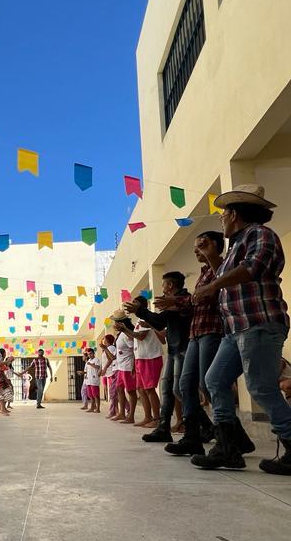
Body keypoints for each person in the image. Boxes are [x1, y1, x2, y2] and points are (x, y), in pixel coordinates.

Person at [190, 184, 291, 474]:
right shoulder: (236, 245)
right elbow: (228, 276)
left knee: (260, 387)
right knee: (215, 380)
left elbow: (252, 268)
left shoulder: (261, 234)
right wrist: (212, 264)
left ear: (233, 214)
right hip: (236, 329)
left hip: (259, 323)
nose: (221, 219)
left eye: (223, 214)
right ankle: (227, 448)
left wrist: (211, 285)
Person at [162, 232, 241, 457]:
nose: (196, 250)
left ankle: (231, 438)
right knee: (185, 385)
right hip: (196, 334)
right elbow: (195, 302)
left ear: (215, 245)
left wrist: (177, 301)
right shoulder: (203, 273)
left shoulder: (224, 267)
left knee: (209, 384)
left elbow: (219, 291)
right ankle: (192, 437)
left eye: (202, 245)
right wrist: (176, 304)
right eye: (196, 247)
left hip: (212, 330)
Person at [125, 272, 192, 443]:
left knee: (179, 389)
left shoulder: (183, 299)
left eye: (163, 285)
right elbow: (161, 321)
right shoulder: (172, 303)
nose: (162, 289)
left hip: (183, 349)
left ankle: (196, 427)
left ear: (170, 285)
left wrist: (140, 311)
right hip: (173, 350)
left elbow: (159, 322)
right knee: (167, 389)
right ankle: (163, 427)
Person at [130, 296, 163, 428]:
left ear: (139, 305)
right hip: (141, 358)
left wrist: (125, 330)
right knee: (141, 389)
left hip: (150, 357)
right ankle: (147, 417)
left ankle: (157, 418)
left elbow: (141, 336)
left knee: (149, 389)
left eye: (134, 303)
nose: (131, 306)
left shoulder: (146, 317)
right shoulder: (139, 319)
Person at [111, 312, 137, 424]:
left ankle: (131, 415)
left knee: (131, 391)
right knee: (119, 389)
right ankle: (122, 413)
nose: (114, 324)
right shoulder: (121, 335)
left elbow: (134, 349)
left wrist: (134, 367)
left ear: (121, 323)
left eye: (115, 322)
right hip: (120, 367)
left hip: (127, 366)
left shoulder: (127, 334)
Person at [100, 334, 119, 418]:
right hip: (109, 373)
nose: (103, 341)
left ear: (107, 340)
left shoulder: (111, 348)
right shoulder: (107, 349)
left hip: (112, 372)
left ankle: (113, 412)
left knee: (113, 393)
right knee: (115, 393)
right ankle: (118, 411)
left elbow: (110, 359)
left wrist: (104, 369)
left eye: (104, 339)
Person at [83, 348, 101, 413]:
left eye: (90, 353)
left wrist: (91, 364)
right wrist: (83, 373)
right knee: (90, 395)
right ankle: (92, 408)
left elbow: (98, 367)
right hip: (88, 380)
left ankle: (98, 408)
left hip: (94, 380)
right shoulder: (88, 361)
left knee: (96, 395)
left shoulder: (96, 360)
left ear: (93, 353)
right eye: (88, 354)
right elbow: (86, 371)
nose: (89, 355)